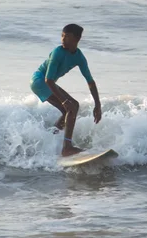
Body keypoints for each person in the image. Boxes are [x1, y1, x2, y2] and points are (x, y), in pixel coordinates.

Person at [30, 24, 102, 157]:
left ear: (77, 39)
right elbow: (48, 80)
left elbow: (90, 81)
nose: (63, 39)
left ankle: (51, 138)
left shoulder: (79, 57)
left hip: (47, 82)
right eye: (62, 36)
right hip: (40, 81)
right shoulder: (58, 52)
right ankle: (67, 148)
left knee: (71, 107)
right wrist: (63, 100)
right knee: (70, 107)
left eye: (67, 37)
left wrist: (98, 104)